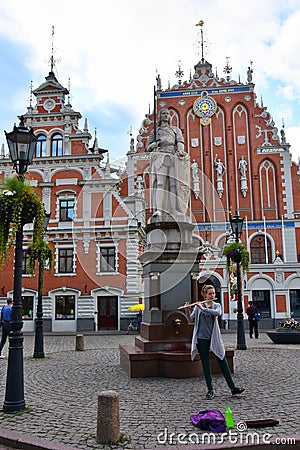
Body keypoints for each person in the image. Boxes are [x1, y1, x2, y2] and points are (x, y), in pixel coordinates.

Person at [185, 285, 245, 399]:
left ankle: (233, 388)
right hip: (201, 338)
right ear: (204, 295)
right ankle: (210, 389)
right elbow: (190, 319)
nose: (212, 296)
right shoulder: (198, 307)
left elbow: (217, 313)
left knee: (222, 360)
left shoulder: (216, 305)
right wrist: (188, 311)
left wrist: (204, 309)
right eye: (210, 294)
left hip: (214, 338)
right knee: (206, 364)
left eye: (213, 293)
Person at [146, 108, 188, 218]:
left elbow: (180, 141)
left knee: (174, 184)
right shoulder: (155, 131)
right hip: (160, 156)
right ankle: (159, 210)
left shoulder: (175, 130)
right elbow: (148, 147)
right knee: (160, 183)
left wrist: (180, 150)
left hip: (173, 156)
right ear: (160, 117)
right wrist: (154, 145)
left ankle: (173, 210)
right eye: (163, 113)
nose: (165, 115)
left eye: (167, 114)